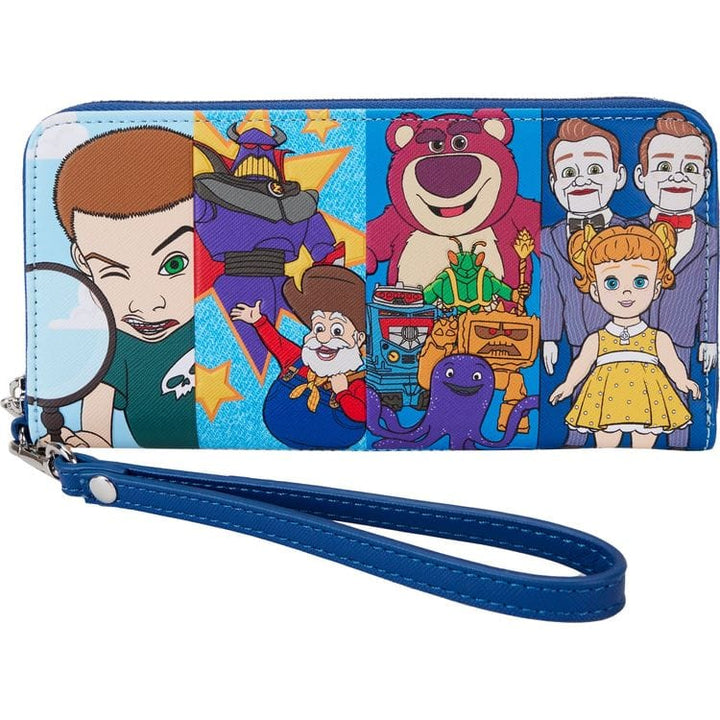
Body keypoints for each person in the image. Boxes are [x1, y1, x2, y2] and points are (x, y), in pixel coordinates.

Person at [53, 127, 198, 448]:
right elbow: (97, 420)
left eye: (174, 264)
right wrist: (93, 441)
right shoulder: (117, 349)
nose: (147, 304)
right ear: (82, 262)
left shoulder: (224, 320)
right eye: (113, 272)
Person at [549, 223, 700, 449]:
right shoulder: (596, 339)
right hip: (605, 397)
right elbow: (582, 363)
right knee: (605, 442)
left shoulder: (657, 338)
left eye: (640, 282)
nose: (626, 291)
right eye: (612, 283)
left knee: (645, 442)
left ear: (656, 288)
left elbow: (672, 363)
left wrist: (682, 381)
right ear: (595, 291)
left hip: (648, 397)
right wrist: (569, 385)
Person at [542, 119, 629, 446]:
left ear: (618, 176)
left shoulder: (631, 233)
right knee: (579, 392)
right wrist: (550, 337)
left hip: (621, 332)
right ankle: (575, 440)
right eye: (568, 173)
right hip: (575, 334)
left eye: (594, 169)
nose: (581, 180)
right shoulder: (548, 238)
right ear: (553, 183)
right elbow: (550, 291)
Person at [633, 111, 718, 448]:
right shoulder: (627, 232)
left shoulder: (711, 239)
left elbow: (711, 292)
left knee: (679, 409)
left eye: (691, 168)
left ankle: (680, 443)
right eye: (664, 166)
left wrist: (709, 339)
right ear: (641, 177)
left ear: (707, 178)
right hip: (629, 338)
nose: (678, 176)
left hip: (682, 338)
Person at [231, 266, 366, 449]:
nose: (323, 338)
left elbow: (361, 414)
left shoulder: (358, 382)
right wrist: (258, 321)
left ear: (358, 338)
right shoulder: (297, 361)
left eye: (336, 330)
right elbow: (277, 343)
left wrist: (342, 392)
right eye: (319, 328)